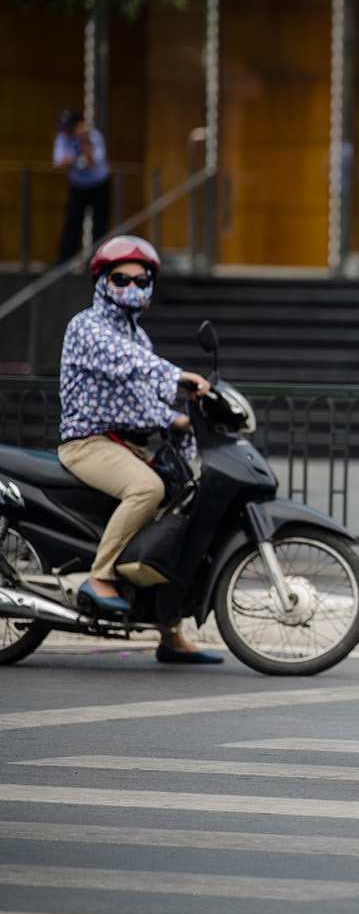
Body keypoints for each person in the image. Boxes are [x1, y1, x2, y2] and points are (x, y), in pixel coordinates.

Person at [57, 234, 220, 664]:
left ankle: (169, 631)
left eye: (141, 279)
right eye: (120, 278)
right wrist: (179, 376)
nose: (131, 286)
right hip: (88, 443)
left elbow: (144, 403)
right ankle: (99, 576)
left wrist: (183, 420)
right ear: (102, 281)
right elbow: (128, 361)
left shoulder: (138, 336)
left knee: (182, 515)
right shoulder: (87, 327)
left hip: (128, 446)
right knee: (147, 489)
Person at [52, 109, 111, 265]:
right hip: (78, 185)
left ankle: (98, 259)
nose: (68, 132)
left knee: (100, 223)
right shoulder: (62, 138)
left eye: (71, 128)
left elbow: (92, 163)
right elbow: (58, 162)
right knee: (73, 221)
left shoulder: (94, 137)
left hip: (98, 183)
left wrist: (83, 140)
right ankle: (65, 259)